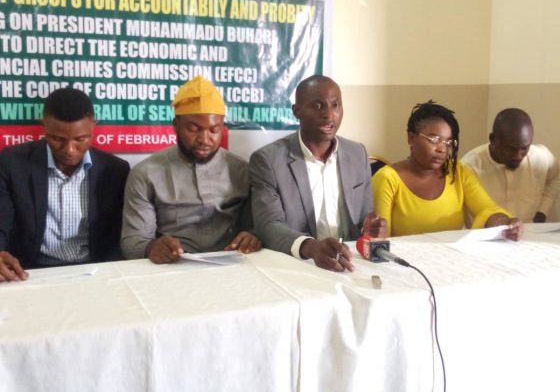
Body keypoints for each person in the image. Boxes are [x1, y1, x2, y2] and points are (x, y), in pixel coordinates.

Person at [249, 75, 387, 272]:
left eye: (335, 105)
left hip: (349, 262)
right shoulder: (268, 160)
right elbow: (268, 226)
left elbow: (364, 218)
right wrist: (311, 247)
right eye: (318, 106)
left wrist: (371, 228)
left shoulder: (357, 154)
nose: (329, 115)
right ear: (296, 111)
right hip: (297, 266)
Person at [121, 76, 261, 264]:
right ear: (175, 126)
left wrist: (253, 236)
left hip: (232, 265)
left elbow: (258, 228)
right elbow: (132, 243)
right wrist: (151, 248)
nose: (204, 139)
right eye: (194, 129)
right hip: (172, 266)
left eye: (214, 130)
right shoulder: (146, 174)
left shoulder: (242, 170)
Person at [0, 87, 130, 282]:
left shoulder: (115, 170)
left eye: (80, 139)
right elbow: (2, 219)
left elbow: (117, 234)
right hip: (30, 272)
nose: (69, 149)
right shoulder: (13, 163)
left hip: (96, 272)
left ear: (93, 126)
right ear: (44, 125)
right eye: (57, 139)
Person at [372, 100, 521, 239]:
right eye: (434, 140)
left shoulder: (458, 173)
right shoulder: (387, 178)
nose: (442, 149)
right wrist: (377, 234)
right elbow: (379, 237)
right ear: (411, 138)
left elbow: (486, 209)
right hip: (403, 257)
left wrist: (503, 223)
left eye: (448, 142)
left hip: (450, 255)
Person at [462, 108, 560, 223]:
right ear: (492, 139)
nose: (518, 156)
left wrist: (542, 211)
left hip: (531, 230)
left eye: (524, 148)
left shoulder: (541, 157)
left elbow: (556, 177)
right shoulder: (469, 167)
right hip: (484, 232)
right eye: (510, 149)